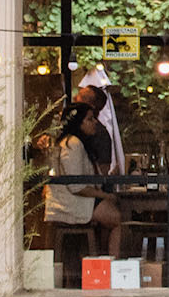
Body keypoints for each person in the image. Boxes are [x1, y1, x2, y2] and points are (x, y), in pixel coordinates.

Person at [44, 100, 126, 257]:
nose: (95, 122)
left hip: (75, 199)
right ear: (78, 123)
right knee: (117, 219)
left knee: (111, 215)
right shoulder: (72, 144)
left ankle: (102, 262)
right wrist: (105, 196)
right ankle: (113, 267)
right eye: (90, 119)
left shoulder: (74, 143)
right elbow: (76, 186)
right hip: (71, 203)